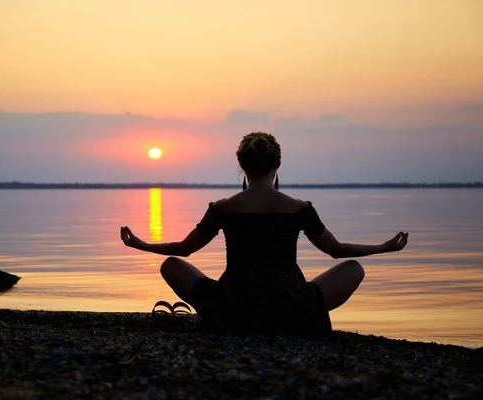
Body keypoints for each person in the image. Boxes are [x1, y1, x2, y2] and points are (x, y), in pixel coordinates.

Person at [120, 132, 409, 335]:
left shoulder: (223, 208)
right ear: (277, 164)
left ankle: (224, 320)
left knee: (171, 265)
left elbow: (184, 249)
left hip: (233, 305)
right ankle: (300, 322)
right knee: (353, 269)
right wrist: (383, 248)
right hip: (291, 306)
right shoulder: (298, 208)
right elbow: (335, 250)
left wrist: (141, 244)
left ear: (242, 166)